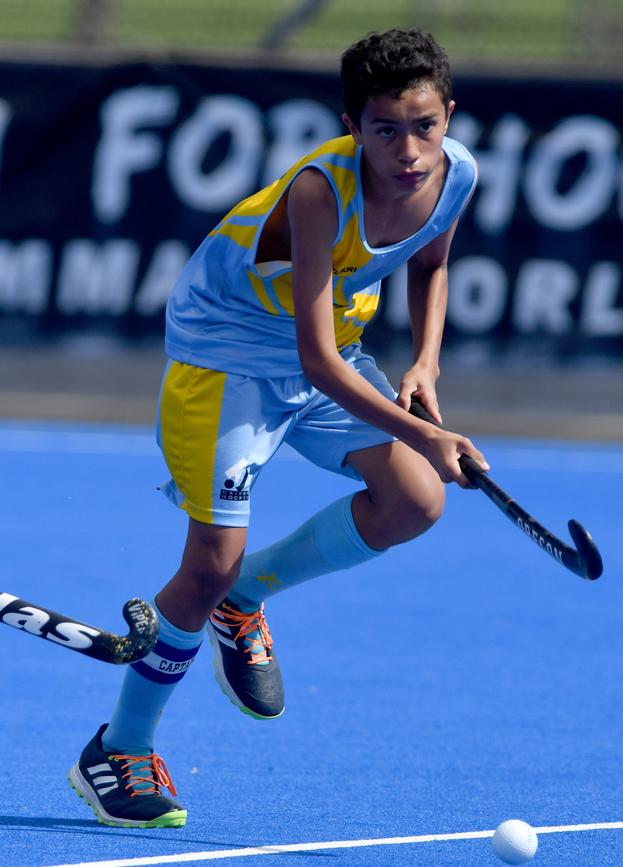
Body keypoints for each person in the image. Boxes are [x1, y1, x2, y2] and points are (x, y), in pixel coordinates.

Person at [67, 27, 489, 828]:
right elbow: (320, 362)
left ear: (448, 116)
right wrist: (426, 433)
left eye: (424, 126)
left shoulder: (456, 173)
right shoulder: (319, 194)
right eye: (385, 130)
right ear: (352, 125)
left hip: (327, 351)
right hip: (227, 356)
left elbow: (430, 263)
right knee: (205, 566)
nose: (408, 150)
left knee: (413, 502)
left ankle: (247, 598)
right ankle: (116, 750)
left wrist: (427, 364)